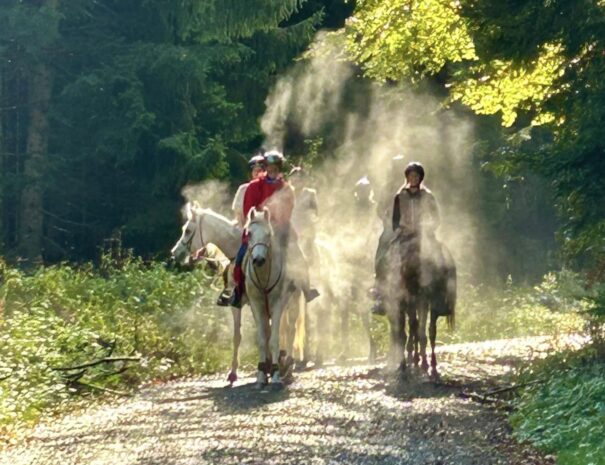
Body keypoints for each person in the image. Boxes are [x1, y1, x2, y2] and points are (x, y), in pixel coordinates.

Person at [230, 150, 319, 308]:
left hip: (281, 228)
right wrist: (259, 223)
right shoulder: (254, 186)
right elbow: (248, 208)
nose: (272, 171)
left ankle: (306, 289)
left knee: (298, 256)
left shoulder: (287, 189)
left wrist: (276, 224)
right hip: (257, 227)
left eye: (275, 169)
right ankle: (238, 292)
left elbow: (287, 210)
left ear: (279, 170)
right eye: (269, 169)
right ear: (265, 168)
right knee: (240, 257)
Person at [371, 161, 440, 314]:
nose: (413, 178)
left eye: (416, 176)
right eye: (410, 175)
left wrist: (428, 227)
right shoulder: (394, 192)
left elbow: (435, 218)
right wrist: (391, 223)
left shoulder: (427, 195)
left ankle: (440, 294)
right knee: (384, 254)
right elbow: (383, 211)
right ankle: (380, 293)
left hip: (422, 233)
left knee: (440, 255)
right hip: (399, 231)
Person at [289, 166, 319, 266]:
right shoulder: (286, 193)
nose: (297, 180)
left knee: (308, 258)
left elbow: (314, 214)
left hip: (305, 231)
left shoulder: (310, 194)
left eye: (300, 178)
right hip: (290, 231)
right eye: (294, 178)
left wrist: (309, 230)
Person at [232, 154, 266, 228]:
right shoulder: (243, 188)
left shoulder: (269, 188)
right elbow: (237, 212)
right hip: (244, 225)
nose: (257, 173)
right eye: (255, 171)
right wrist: (242, 230)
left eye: (260, 170)